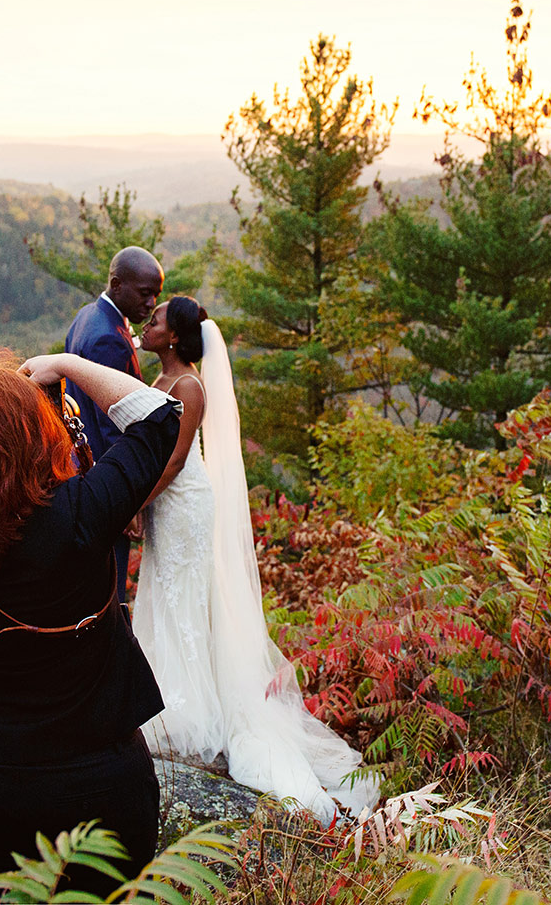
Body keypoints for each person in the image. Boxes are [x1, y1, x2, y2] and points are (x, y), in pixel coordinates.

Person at [0, 350, 181, 896]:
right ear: (40, 438)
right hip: (107, 786)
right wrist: (68, 364)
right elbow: (160, 415)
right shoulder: (82, 512)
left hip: (1, 793)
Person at [132, 295, 379, 825]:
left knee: (185, 599)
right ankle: (164, 697)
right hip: (163, 505)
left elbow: (175, 461)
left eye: (155, 321)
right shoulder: (160, 380)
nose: (146, 325)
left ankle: (189, 713)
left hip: (183, 504)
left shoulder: (190, 386)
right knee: (163, 592)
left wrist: (133, 503)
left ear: (174, 336)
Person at [62, 246, 164, 604]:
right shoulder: (108, 338)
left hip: (78, 473)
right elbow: (114, 427)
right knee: (110, 594)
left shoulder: (86, 316)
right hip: (103, 483)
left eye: (156, 295)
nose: (151, 303)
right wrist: (126, 500)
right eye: (145, 293)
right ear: (117, 284)